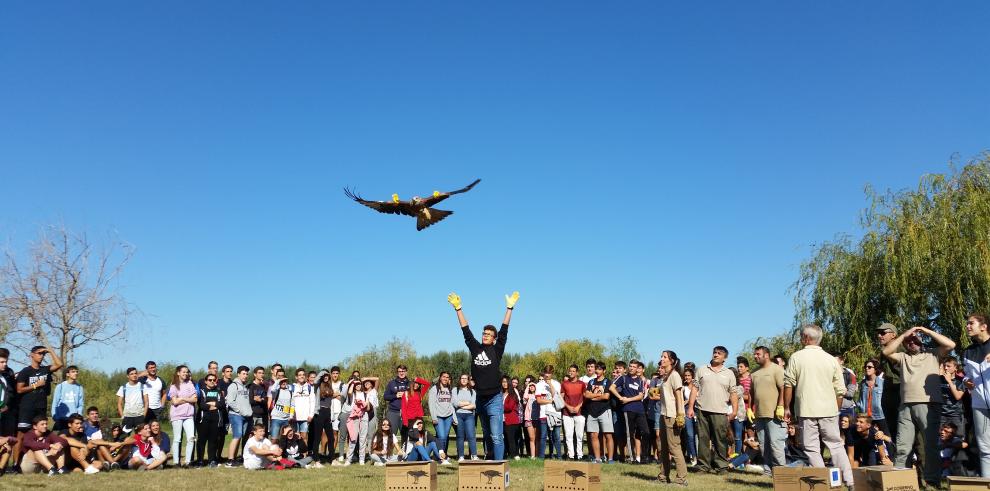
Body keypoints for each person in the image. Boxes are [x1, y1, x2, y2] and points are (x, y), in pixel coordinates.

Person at [882, 324, 955, 487]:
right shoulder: (903, 357)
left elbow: (950, 345)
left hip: (929, 405)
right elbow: (886, 352)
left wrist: (927, 331)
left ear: (921, 340)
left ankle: (932, 482)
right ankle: (900, 483)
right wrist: (904, 334)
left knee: (930, 446)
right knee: (902, 446)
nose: (911, 342)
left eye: (915, 339)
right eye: (908, 341)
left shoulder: (933, 354)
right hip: (905, 407)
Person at [449, 290, 518, 460]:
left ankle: (499, 464)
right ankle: (491, 459)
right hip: (480, 399)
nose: (485, 335)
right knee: (487, 436)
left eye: (488, 334)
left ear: (494, 339)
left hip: (494, 399)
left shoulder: (497, 349)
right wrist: (458, 309)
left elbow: (504, 330)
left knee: (496, 436)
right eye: (484, 333)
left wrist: (509, 308)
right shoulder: (475, 348)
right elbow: (465, 330)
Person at [783, 324, 854, 488]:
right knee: (836, 446)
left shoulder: (796, 357)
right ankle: (850, 482)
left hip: (806, 410)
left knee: (812, 448)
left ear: (806, 338)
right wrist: (836, 409)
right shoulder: (831, 359)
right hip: (829, 410)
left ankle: (823, 484)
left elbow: (788, 384)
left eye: (801, 336)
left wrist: (787, 407)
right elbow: (840, 390)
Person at [688, 346, 737, 475]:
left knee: (720, 440)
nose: (715, 355)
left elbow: (733, 393)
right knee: (703, 439)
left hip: (720, 411)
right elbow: (694, 388)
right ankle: (703, 466)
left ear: (725, 358)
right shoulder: (702, 369)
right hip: (702, 410)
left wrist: (735, 410)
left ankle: (721, 467)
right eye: (714, 352)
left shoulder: (729, 373)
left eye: (719, 353)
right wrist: (690, 407)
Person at [16, 345, 63, 465]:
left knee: (39, 435)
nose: (41, 356)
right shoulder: (25, 371)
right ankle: (16, 464)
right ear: (31, 355)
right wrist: (36, 385)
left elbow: (59, 364)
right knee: (21, 435)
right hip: (27, 408)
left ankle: (37, 462)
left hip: (40, 407)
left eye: (43, 354)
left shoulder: (45, 370)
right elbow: (19, 389)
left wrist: (50, 351)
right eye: (39, 353)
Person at [962, 312, 990, 477]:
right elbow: (966, 374)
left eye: (971, 323)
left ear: (984, 326)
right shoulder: (968, 351)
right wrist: (966, 381)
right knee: (985, 447)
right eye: (967, 323)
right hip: (979, 404)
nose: (967, 326)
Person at [750, 345, 786, 474]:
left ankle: (781, 472)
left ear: (766, 355)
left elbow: (783, 388)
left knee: (775, 444)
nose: (755, 356)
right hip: (759, 414)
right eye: (755, 354)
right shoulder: (754, 372)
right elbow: (751, 393)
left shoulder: (777, 370)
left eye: (758, 354)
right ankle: (768, 471)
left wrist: (781, 406)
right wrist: (750, 408)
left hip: (775, 414)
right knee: (763, 445)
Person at [656, 350, 688, 486]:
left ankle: (681, 479)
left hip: (672, 416)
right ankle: (663, 476)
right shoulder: (665, 377)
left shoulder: (675, 376)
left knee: (674, 447)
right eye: (661, 356)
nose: (662, 359)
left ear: (672, 361)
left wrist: (680, 415)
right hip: (663, 414)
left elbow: (679, 396)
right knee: (663, 448)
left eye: (665, 357)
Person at [611, 359, 650, 463]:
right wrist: (620, 397)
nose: (632, 368)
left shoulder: (640, 380)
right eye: (630, 366)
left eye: (634, 367)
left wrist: (628, 399)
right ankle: (632, 458)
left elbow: (641, 395)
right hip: (628, 410)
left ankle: (644, 456)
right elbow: (611, 388)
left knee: (646, 432)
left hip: (640, 410)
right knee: (630, 434)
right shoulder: (623, 378)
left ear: (638, 369)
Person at [876, 323, 903, 443]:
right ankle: (900, 457)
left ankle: (917, 459)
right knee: (892, 428)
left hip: (900, 389)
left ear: (894, 335)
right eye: (878, 333)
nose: (879, 336)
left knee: (903, 426)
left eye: (883, 333)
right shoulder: (883, 351)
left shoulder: (901, 348)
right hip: (888, 390)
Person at [167, 365, 197, 467]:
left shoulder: (190, 384)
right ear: (178, 373)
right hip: (177, 415)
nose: (185, 373)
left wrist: (182, 398)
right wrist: (188, 398)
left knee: (191, 438)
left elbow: (195, 399)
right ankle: (176, 462)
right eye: (183, 372)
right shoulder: (174, 386)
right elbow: (174, 401)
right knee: (177, 438)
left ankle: (188, 462)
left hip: (189, 415)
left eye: (187, 372)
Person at [585, 361, 614, 463]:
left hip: (604, 411)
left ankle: (610, 458)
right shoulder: (591, 382)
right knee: (593, 435)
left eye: (600, 369)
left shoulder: (608, 381)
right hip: (592, 412)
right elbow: (586, 395)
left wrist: (593, 396)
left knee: (608, 435)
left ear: (604, 370)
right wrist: (598, 396)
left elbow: (606, 396)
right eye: (596, 369)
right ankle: (597, 458)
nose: (597, 371)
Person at [225, 365, 254, 466]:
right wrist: (240, 411)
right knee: (237, 436)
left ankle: (237, 457)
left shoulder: (245, 387)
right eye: (243, 373)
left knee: (243, 437)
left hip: (247, 416)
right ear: (238, 374)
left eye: (246, 374)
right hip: (236, 415)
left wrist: (248, 412)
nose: (245, 375)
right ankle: (230, 460)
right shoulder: (234, 385)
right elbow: (230, 401)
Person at [196, 371, 226, 467]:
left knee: (213, 441)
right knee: (201, 441)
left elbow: (222, 404)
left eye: (214, 380)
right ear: (205, 381)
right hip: (203, 419)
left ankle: (212, 460)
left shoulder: (218, 391)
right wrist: (214, 405)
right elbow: (202, 405)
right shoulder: (201, 391)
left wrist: (212, 404)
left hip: (216, 419)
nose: (212, 381)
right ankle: (200, 461)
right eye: (210, 380)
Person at [344, 376, 373, 466]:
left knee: (363, 438)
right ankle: (349, 459)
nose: (358, 386)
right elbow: (349, 391)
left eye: (359, 384)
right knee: (353, 438)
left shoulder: (366, 394)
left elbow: (368, 408)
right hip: (354, 417)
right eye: (356, 384)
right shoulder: (352, 394)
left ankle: (362, 459)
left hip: (364, 416)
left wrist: (364, 405)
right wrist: (353, 382)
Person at [535, 365, 562, 459]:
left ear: (552, 373)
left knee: (557, 437)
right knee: (543, 436)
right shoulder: (538, 385)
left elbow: (557, 397)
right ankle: (541, 457)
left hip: (556, 414)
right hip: (543, 414)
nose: (547, 374)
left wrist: (550, 384)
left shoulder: (557, 384)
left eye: (549, 372)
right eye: (546, 372)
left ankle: (559, 457)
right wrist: (550, 401)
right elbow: (539, 400)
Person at [561, 364, 586, 461]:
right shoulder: (564, 384)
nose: (571, 372)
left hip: (579, 413)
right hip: (567, 414)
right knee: (568, 435)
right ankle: (571, 455)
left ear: (577, 372)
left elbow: (585, 397)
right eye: (570, 371)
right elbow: (561, 398)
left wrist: (578, 406)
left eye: (573, 371)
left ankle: (580, 455)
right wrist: (568, 407)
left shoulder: (582, 384)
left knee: (580, 435)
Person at [428, 371, 455, 459]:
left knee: (445, 437)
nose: (445, 379)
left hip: (448, 416)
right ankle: (440, 455)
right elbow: (431, 404)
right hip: (438, 416)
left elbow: (452, 404)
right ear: (440, 377)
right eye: (444, 376)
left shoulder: (450, 389)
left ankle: (443, 455)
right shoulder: (434, 389)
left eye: (447, 377)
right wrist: (434, 417)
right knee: (441, 436)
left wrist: (454, 418)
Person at [51, 365, 84, 432]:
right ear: (67, 374)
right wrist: (55, 416)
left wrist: (79, 416)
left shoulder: (79, 387)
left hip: (73, 420)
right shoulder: (60, 386)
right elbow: (55, 403)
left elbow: (80, 405)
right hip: (61, 419)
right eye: (73, 372)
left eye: (76, 372)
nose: (76, 373)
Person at [858, 358, 887, 434]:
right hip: (866, 416)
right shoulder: (863, 383)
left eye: (869, 367)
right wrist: (860, 406)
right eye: (866, 367)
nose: (867, 368)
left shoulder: (882, 383)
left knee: (887, 437)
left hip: (880, 415)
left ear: (875, 369)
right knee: (868, 439)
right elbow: (860, 398)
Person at [382, 365, 411, 441]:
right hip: (393, 412)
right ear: (397, 372)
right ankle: (389, 452)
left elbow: (415, 398)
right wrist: (395, 395)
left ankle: (405, 452)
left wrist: (407, 396)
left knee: (406, 434)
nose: (401, 373)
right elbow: (385, 397)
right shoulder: (392, 383)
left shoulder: (410, 384)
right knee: (391, 434)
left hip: (407, 413)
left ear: (406, 372)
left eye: (403, 371)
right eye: (400, 371)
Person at [289, 368, 317, 445]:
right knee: (295, 436)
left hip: (305, 417)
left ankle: (304, 454)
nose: (301, 376)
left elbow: (312, 402)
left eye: (303, 375)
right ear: (296, 377)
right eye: (299, 375)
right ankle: (295, 454)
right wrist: (291, 415)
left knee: (304, 437)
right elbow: (290, 403)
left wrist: (311, 415)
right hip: (294, 417)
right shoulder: (292, 387)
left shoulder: (309, 387)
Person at [117, 367, 149, 433]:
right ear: (127, 376)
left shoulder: (143, 386)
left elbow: (146, 402)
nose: (134, 375)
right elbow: (119, 403)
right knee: (124, 437)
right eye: (131, 374)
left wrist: (143, 416)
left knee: (140, 437)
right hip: (127, 417)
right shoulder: (123, 387)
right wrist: (122, 416)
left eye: (135, 373)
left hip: (139, 416)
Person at [453, 373, 478, 461]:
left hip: (469, 416)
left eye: (465, 378)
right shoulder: (455, 390)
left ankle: (474, 455)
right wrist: (467, 403)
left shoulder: (472, 392)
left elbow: (474, 405)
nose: (463, 380)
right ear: (460, 379)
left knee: (471, 435)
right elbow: (455, 404)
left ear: (468, 380)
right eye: (462, 378)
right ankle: (461, 456)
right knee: (460, 436)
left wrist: (462, 405)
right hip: (458, 415)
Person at [940, 356, 966, 434]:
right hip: (942, 415)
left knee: (958, 439)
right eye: (945, 366)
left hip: (956, 415)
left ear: (955, 367)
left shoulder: (960, 381)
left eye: (948, 366)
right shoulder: (939, 379)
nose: (946, 368)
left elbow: (958, 396)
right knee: (942, 441)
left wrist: (949, 381)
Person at [400, 376, 431, 442]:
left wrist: (417, 379)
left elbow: (427, 384)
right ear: (411, 383)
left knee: (420, 438)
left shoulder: (420, 393)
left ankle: (419, 451)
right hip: (410, 420)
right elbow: (403, 408)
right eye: (415, 383)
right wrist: (405, 422)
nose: (416, 385)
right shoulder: (406, 394)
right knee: (411, 439)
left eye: (418, 384)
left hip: (419, 418)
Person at [680, 367, 697, 466]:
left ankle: (699, 456)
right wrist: (689, 400)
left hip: (698, 411)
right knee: (689, 434)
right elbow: (680, 401)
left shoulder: (698, 386)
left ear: (692, 376)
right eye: (685, 375)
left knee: (698, 436)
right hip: (687, 411)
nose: (687, 377)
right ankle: (693, 456)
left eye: (689, 375)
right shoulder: (683, 388)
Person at [501, 375, 521, 460]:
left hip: (511, 420)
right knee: (505, 438)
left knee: (511, 439)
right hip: (502, 420)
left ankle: (514, 455)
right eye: (503, 382)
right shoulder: (500, 393)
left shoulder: (512, 394)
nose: (504, 384)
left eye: (506, 382)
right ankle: (507, 454)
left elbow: (509, 407)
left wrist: (498, 407)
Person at [248, 367, 270, 433]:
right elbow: (250, 400)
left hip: (261, 415)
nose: (261, 375)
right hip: (252, 415)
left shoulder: (263, 387)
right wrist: (259, 399)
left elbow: (266, 400)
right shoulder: (250, 386)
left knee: (260, 434)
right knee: (251, 434)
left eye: (263, 373)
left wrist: (259, 399)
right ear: (255, 374)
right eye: (259, 373)